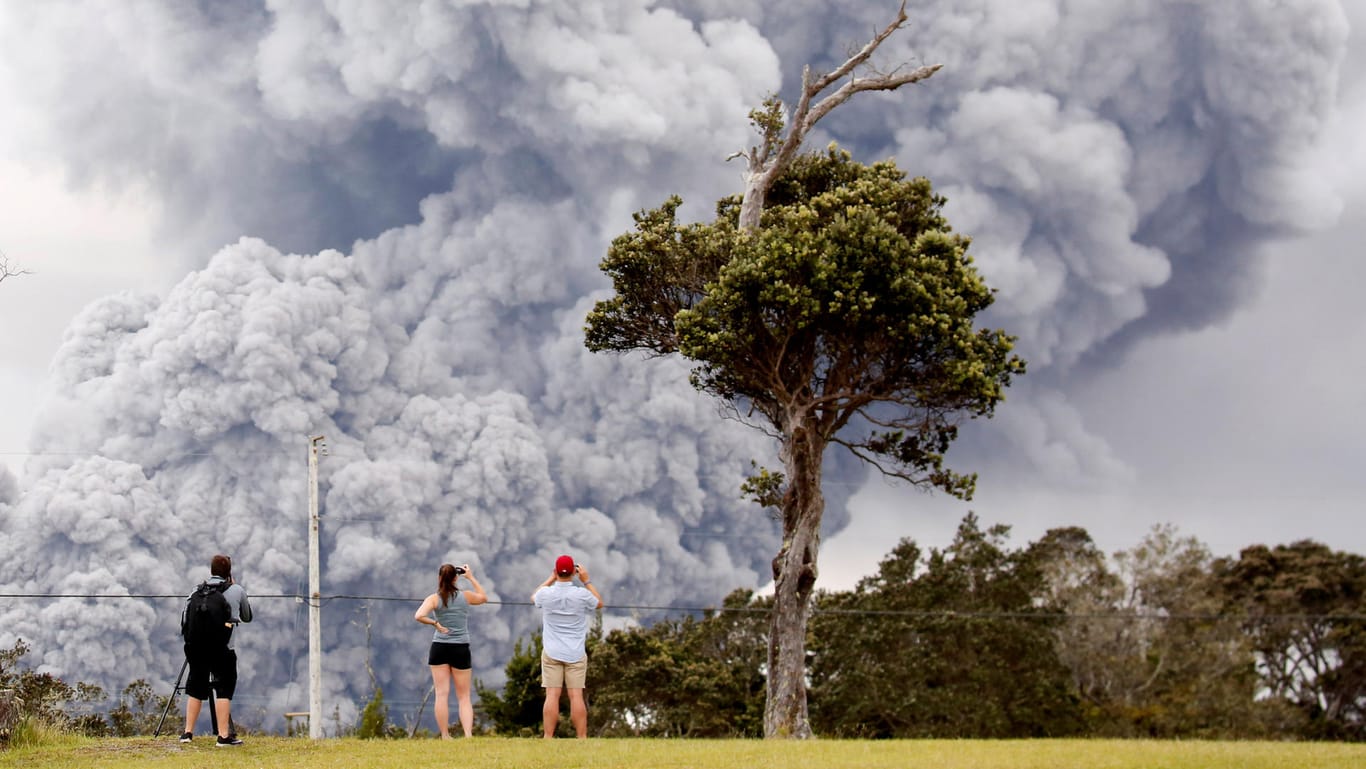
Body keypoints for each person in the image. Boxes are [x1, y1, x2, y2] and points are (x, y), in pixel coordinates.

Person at [180, 553, 252, 746]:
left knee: (195, 688)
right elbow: (247, 616)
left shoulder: (196, 591)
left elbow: (185, 618)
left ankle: (187, 733)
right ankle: (223, 736)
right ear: (229, 572)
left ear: (211, 571)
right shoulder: (237, 590)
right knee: (223, 690)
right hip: (224, 649)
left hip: (197, 650)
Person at [531, 554, 603, 739]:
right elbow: (599, 603)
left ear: (556, 571)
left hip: (552, 652)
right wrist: (586, 581)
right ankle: (582, 738)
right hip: (575, 653)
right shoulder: (581, 594)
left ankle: (548, 736)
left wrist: (550, 578)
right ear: (573, 572)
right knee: (576, 696)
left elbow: (534, 597)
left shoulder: (546, 594)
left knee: (552, 696)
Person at [414, 563, 487, 738]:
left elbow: (418, 616)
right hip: (460, 648)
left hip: (439, 647)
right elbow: (483, 597)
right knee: (464, 696)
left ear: (439, 578)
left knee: (441, 694)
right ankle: (468, 735)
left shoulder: (433, 599)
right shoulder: (466, 596)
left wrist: (435, 623)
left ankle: (445, 735)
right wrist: (470, 577)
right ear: (456, 577)